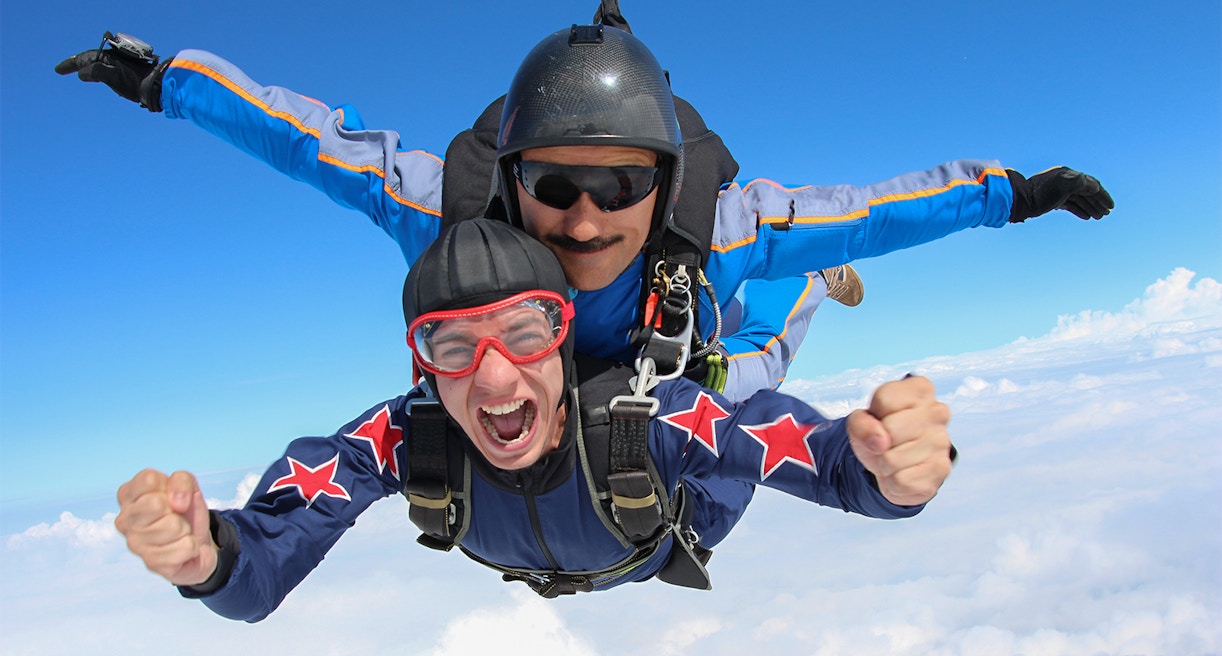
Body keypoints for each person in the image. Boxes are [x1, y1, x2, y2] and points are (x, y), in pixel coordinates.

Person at [54, 21, 1114, 402]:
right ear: (512, 176)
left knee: (738, 373)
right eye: (554, 183)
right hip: (565, 371)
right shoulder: (449, 214)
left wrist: (1010, 195)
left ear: (665, 178)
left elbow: (878, 208)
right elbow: (308, 138)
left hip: (692, 343)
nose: (584, 218)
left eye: (621, 186)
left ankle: (809, 297)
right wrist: (166, 80)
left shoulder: (730, 224)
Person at [114, 218, 954, 622]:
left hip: (689, 507)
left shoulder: (649, 418)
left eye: (524, 332)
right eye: (450, 344)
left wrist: (880, 470)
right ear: (420, 365)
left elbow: (786, 442)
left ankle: (808, 274)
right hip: (629, 539)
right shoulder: (409, 438)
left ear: (563, 339)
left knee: (753, 355)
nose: (492, 373)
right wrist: (210, 557)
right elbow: (261, 566)